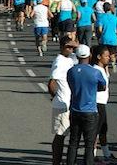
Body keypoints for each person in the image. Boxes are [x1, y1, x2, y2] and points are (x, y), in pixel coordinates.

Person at [66, 44, 107, 165]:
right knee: (89, 145)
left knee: (73, 142)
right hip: (90, 111)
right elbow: (103, 87)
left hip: (75, 110)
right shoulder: (95, 72)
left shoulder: (71, 71)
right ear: (89, 55)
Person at [48, 37, 77, 165]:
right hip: (62, 103)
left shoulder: (71, 58)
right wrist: (56, 96)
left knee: (67, 134)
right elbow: (51, 82)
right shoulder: (59, 61)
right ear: (61, 47)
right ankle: (56, 162)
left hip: (71, 103)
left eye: (72, 48)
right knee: (60, 135)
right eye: (68, 47)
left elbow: (85, 52)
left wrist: (75, 44)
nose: (71, 49)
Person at [91, 45, 113, 162]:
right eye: (106, 56)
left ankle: (106, 153)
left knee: (104, 129)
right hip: (97, 102)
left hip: (103, 103)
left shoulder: (103, 68)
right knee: (96, 130)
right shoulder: (95, 70)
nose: (109, 58)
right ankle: (92, 154)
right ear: (99, 57)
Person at [99, 2, 117, 73]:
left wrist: (101, 33)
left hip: (104, 39)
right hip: (113, 39)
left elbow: (99, 29)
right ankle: (114, 64)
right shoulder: (114, 17)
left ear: (103, 9)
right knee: (112, 54)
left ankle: (106, 71)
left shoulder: (102, 17)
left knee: (105, 55)